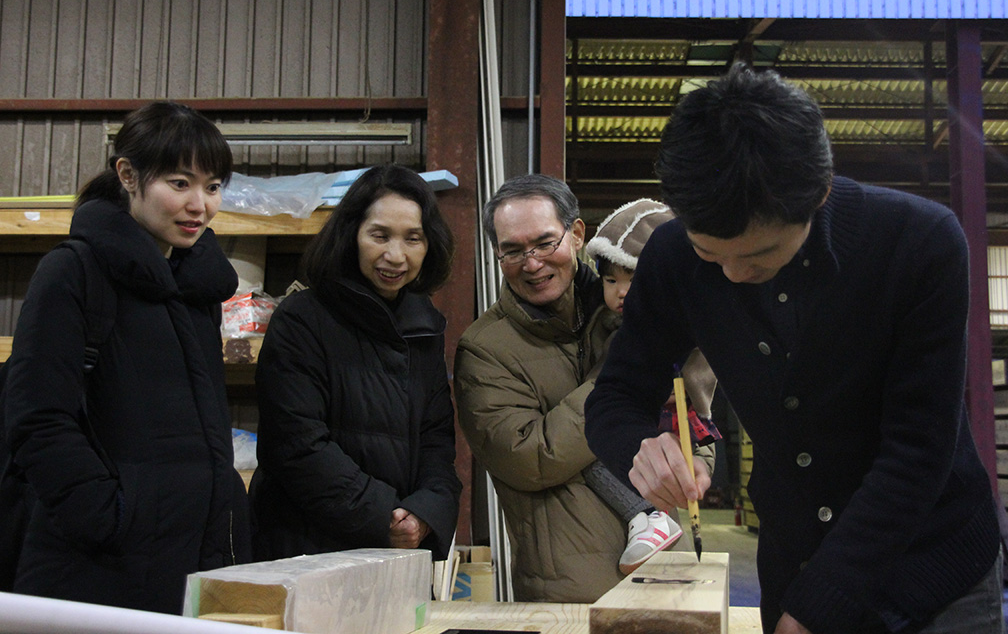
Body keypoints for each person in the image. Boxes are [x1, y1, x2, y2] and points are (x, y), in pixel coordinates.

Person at [585, 64, 1002, 634]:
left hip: (931, 562)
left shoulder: (919, 243)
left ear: (819, 194)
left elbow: (917, 452)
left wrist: (818, 607)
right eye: (712, 255)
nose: (731, 275)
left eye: (759, 255)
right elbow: (616, 396)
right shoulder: (673, 256)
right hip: (797, 554)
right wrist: (640, 447)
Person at [3, 102, 250, 614]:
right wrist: (106, 514)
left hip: (192, 551)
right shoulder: (73, 272)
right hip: (96, 564)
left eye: (212, 186)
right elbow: (38, 418)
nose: (198, 205)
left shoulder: (198, 290)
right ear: (128, 175)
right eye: (180, 183)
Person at [249, 164, 461, 562]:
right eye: (379, 235)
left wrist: (426, 512)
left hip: (397, 552)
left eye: (413, 238)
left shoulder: (424, 328)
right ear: (352, 236)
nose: (395, 255)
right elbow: (297, 447)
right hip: (307, 548)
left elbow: (437, 442)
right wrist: (385, 517)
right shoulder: (303, 318)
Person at [453, 174, 624, 603]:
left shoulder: (624, 312)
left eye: (545, 242)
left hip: (667, 569)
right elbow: (530, 459)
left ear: (577, 234)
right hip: (569, 594)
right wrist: (623, 378)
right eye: (512, 250)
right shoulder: (484, 348)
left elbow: (684, 414)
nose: (531, 263)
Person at [582, 198, 719, 574]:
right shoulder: (602, 324)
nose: (622, 292)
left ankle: (648, 516)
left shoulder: (674, 330)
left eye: (634, 280)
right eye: (611, 280)